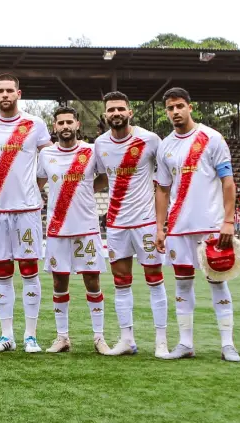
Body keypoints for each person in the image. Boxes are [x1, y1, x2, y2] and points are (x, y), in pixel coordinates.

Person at [154, 87, 240, 362]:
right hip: (178, 228)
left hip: (211, 227)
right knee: (182, 285)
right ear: (166, 112)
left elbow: (228, 181)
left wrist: (228, 221)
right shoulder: (165, 146)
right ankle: (185, 343)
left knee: (218, 283)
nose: (175, 112)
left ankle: (227, 344)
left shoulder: (212, 138)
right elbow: (162, 189)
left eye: (180, 106)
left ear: (190, 107)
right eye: (170, 108)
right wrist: (160, 227)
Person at [0, 73, 53, 352]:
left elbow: (50, 159)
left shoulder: (35, 124)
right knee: (3, 271)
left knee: (29, 270)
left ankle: (30, 336)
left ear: (18, 94)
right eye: (0, 91)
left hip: (27, 208)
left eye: (10, 90)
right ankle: (6, 335)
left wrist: (35, 186)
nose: (5, 95)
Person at [93, 91, 170, 358]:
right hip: (116, 224)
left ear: (130, 112)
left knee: (155, 280)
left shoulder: (150, 140)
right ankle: (127, 339)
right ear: (105, 115)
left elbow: (165, 177)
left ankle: (161, 341)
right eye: (111, 109)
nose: (115, 113)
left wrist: (161, 225)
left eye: (120, 109)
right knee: (121, 282)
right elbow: (103, 177)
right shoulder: (100, 144)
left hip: (146, 223)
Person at [38, 106, 112, 354]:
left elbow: (104, 178)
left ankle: (99, 337)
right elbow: (39, 182)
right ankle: (62, 337)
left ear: (77, 125)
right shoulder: (46, 154)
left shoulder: (91, 151)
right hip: (57, 228)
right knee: (59, 281)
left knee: (92, 280)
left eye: (69, 122)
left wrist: (86, 190)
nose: (65, 126)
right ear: (55, 126)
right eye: (60, 123)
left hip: (86, 227)